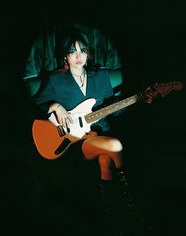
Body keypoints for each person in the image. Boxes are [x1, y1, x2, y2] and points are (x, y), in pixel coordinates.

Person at [32, 29, 155, 228]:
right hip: (74, 142)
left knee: (106, 161)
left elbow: (112, 110)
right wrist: (54, 106)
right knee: (114, 145)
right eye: (73, 51)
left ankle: (111, 214)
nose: (79, 56)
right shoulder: (55, 81)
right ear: (66, 55)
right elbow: (34, 105)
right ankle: (131, 206)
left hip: (99, 134)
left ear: (89, 53)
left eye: (83, 50)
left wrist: (138, 101)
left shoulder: (101, 76)